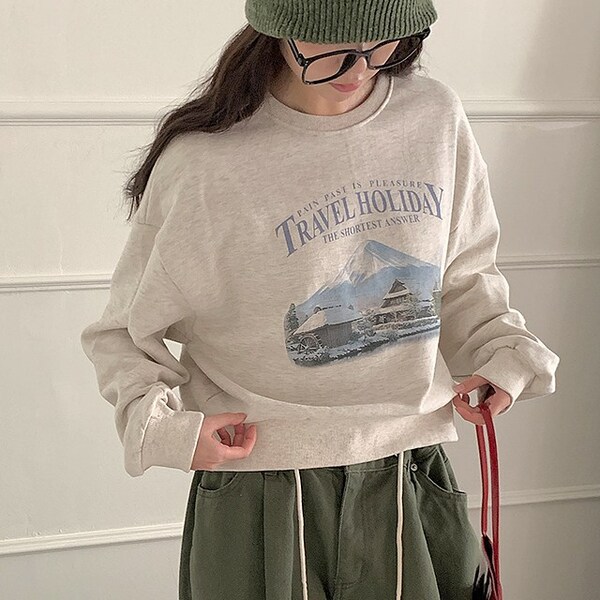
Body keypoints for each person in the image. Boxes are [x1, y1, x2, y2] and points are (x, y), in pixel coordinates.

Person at [80, 1, 560, 598]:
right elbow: (124, 333)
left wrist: (499, 354)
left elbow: (462, 276)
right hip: (259, 488)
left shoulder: (434, 117)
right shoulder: (205, 163)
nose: (360, 68)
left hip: (411, 473)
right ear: (279, 27)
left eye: (383, 43)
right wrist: (163, 429)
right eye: (332, 48)